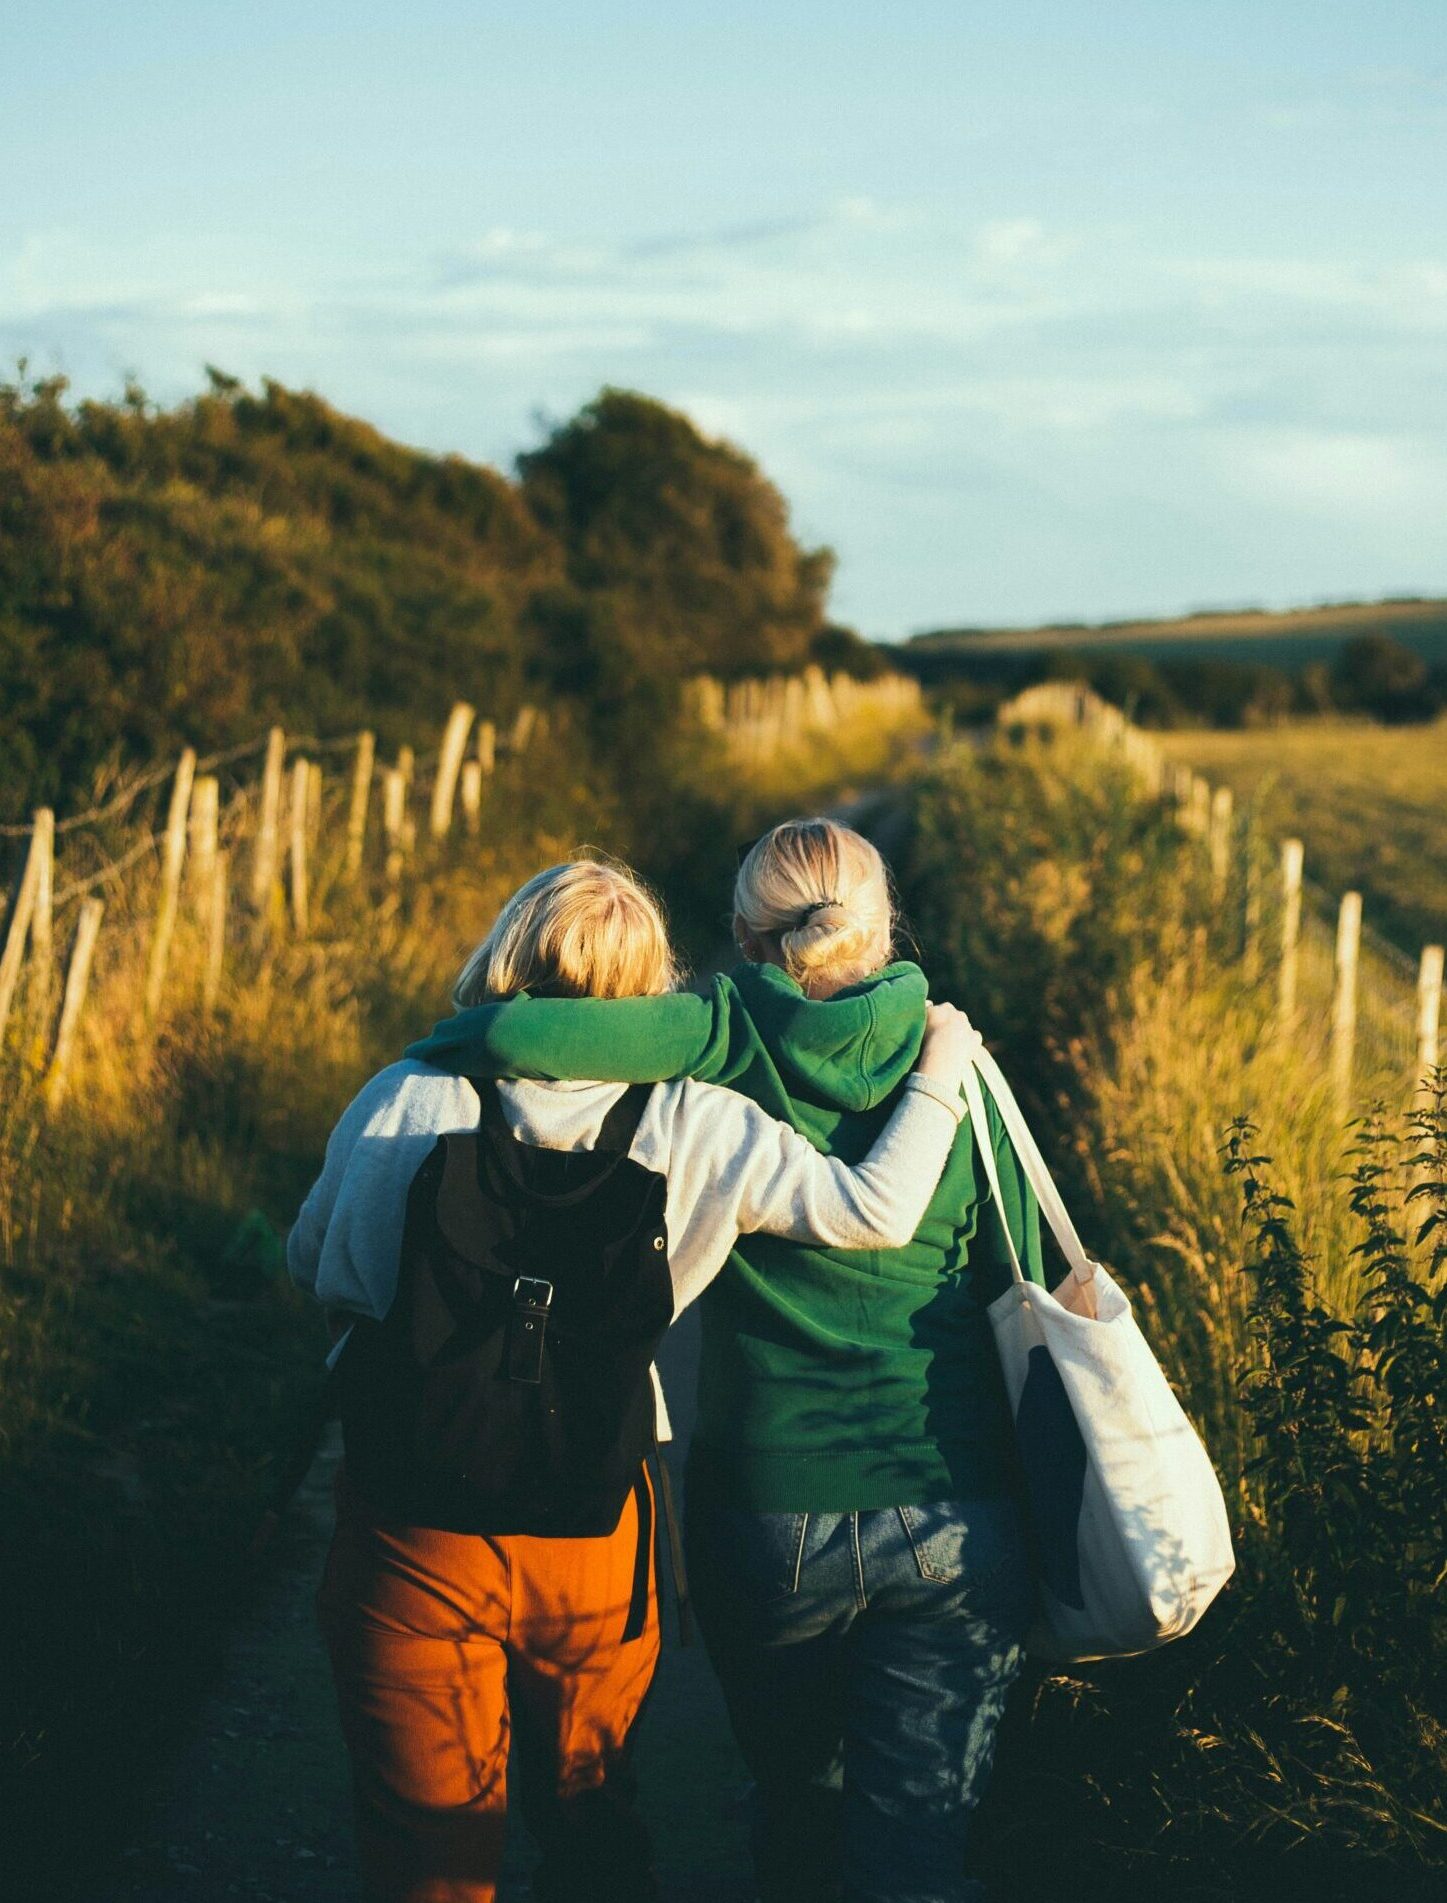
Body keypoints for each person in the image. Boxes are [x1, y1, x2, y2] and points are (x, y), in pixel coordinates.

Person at [288, 855, 986, 1903]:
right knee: (589, 1811)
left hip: (410, 1517)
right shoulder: (694, 1119)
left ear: (507, 951)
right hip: (595, 1518)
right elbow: (869, 1211)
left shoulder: (409, 1091)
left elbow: (316, 1263)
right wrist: (940, 1067)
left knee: (422, 1843)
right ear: (652, 985)